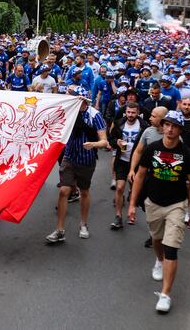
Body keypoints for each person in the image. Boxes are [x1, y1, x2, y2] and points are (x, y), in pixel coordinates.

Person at [128, 110, 190, 315]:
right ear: (163, 126)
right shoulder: (152, 148)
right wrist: (133, 204)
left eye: (174, 126)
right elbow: (141, 176)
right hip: (153, 203)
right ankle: (158, 261)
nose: (170, 129)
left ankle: (166, 294)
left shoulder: (186, 154)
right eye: (167, 125)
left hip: (176, 205)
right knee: (157, 239)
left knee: (172, 248)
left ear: (179, 130)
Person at [45, 86, 110, 244]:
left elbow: (104, 141)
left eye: (70, 96)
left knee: (84, 191)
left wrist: (94, 144)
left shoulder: (95, 115)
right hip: (69, 157)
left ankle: (83, 224)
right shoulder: (67, 112)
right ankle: (60, 230)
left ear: (79, 99)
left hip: (86, 160)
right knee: (63, 191)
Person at [107, 102, 148, 229]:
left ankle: (131, 211)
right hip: (122, 161)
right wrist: (116, 142)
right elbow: (111, 139)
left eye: (133, 113)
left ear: (138, 113)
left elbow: (148, 145)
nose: (130, 115)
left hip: (136, 163)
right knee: (119, 188)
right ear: (126, 112)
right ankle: (118, 216)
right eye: (128, 112)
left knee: (134, 190)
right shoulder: (119, 123)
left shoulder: (144, 126)